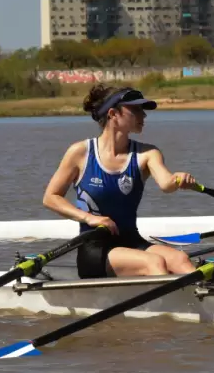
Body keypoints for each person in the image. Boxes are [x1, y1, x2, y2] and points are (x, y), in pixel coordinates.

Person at [43, 84, 199, 278]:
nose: (143, 116)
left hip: (132, 240)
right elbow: (51, 197)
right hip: (95, 248)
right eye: (135, 109)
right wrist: (90, 218)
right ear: (113, 114)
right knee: (154, 262)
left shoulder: (147, 153)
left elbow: (166, 184)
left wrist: (178, 179)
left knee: (180, 259)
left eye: (142, 110)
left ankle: (203, 299)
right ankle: (166, 306)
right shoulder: (80, 153)